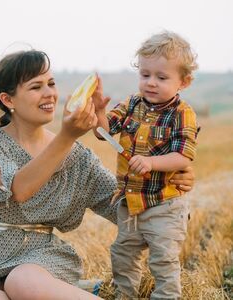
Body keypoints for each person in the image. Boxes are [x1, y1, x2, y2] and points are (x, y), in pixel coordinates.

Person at [0, 49, 195, 300]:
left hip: (42, 261)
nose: (49, 94)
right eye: (36, 87)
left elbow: (123, 205)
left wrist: (167, 185)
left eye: (51, 84)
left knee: (24, 281)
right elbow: (18, 190)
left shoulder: (78, 158)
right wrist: (67, 136)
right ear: (8, 100)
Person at [92, 31, 199, 299]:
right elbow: (102, 133)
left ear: (183, 82)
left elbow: (183, 156)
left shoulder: (182, 113)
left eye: (161, 78)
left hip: (165, 204)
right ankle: (124, 295)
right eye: (145, 75)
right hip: (131, 203)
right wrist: (99, 112)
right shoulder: (131, 104)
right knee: (123, 254)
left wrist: (151, 162)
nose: (151, 83)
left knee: (163, 259)